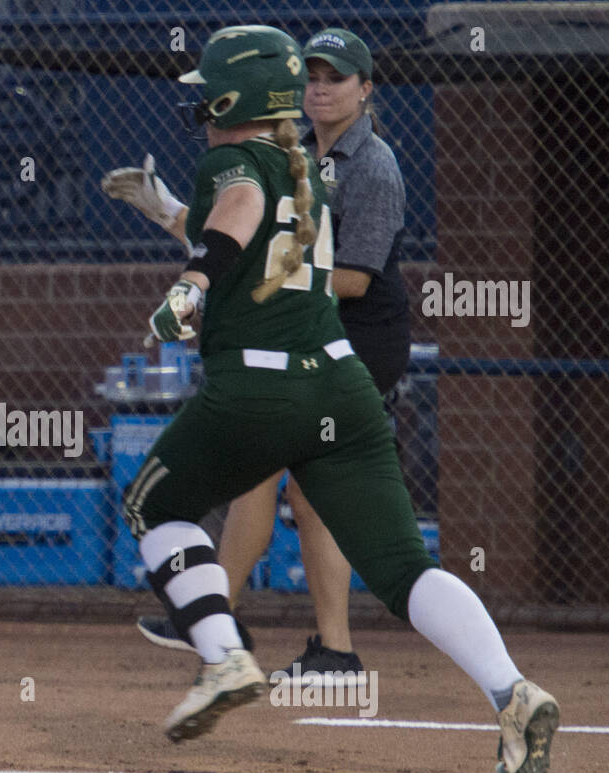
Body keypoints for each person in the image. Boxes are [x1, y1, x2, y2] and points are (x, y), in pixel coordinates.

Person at [111, 24, 559, 773]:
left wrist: (191, 284)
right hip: (341, 383)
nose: (202, 114)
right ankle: (511, 690)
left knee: (153, 506)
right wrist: (169, 213)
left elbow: (238, 212)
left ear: (235, 98)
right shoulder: (307, 166)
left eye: (209, 98)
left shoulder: (239, 160)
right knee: (402, 567)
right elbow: (252, 223)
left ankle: (222, 657)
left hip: (262, 383)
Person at [111, 27, 414, 687]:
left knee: (308, 492)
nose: (322, 88)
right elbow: (236, 223)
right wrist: (165, 209)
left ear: (366, 90)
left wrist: (254, 278)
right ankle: (222, 619)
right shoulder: (290, 149)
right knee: (252, 476)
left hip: (354, 337)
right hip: (295, 334)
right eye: (314, 75)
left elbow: (354, 275)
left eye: (338, 78)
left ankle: (330, 649)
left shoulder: (375, 163)